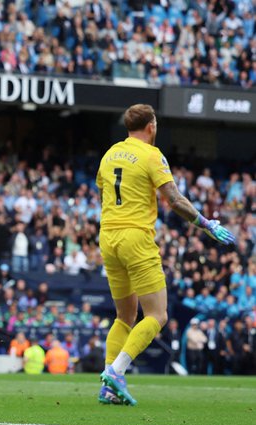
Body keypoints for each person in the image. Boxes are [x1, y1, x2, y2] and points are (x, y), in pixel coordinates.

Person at [96, 104, 235, 406]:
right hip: (136, 238)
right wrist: (207, 224)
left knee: (124, 316)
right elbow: (173, 199)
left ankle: (108, 387)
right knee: (158, 315)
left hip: (108, 236)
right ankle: (116, 372)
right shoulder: (151, 155)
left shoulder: (110, 154)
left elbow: (103, 192)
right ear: (152, 126)